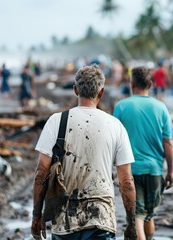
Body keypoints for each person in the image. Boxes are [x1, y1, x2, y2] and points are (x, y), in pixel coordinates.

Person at [31, 65, 137, 240]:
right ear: (101, 93)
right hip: (101, 219)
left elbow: (40, 174)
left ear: (75, 90)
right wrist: (131, 223)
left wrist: (36, 216)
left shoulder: (56, 121)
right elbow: (126, 182)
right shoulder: (115, 126)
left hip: (64, 221)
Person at [113, 67, 173, 240]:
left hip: (129, 171)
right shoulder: (161, 108)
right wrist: (170, 171)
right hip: (154, 170)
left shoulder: (121, 107)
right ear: (150, 84)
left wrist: (111, 167)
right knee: (147, 214)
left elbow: (113, 141)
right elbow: (168, 142)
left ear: (132, 84)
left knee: (137, 217)